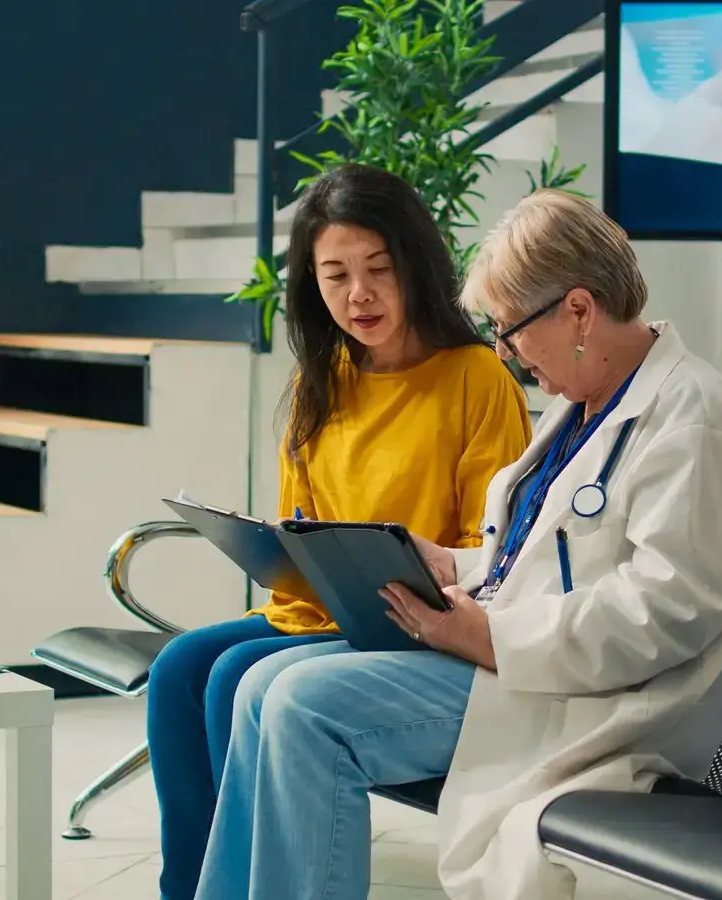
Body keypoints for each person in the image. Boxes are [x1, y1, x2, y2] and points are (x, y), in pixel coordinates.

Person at [196, 190, 722, 900]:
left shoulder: (696, 423)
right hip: (517, 660)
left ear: (578, 310)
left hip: (588, 696)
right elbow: (544, 554)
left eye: (510, 330)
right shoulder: (586, 403)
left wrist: (490, 636)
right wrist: (453, 564)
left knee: (303, 706)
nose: (504, 351)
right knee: (258, 687)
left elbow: (665, 614)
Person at [146, 163, 532, 900]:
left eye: (378, 270)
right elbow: (302, 529)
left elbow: (491, 549)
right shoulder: (319, 381)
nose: (359, 294)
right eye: (336, 276)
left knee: (230, 676)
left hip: (415, 621)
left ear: (415, 266)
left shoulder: (476, 379)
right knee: (178, 669)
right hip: (321, 608)